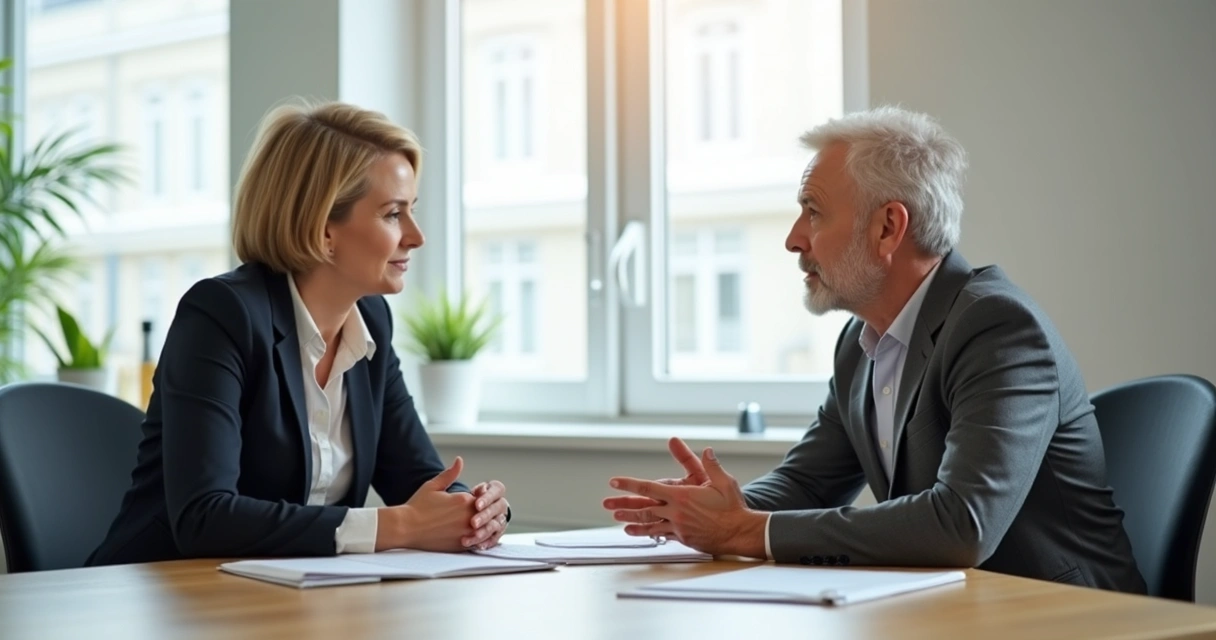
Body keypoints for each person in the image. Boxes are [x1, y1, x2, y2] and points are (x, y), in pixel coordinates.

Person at [603, 106, 1146, 593]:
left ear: (889, 228)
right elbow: (809, 481)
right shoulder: (859, 343)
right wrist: (723, 508)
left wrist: (748, 530)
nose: (794, 238)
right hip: (955, 612)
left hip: (1067, 618)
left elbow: (962, 523)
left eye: (813, 211)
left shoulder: (996, 327)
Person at [88, 101, 509, 565]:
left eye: (411, 211)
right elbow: (204, 517)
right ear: (323, 228)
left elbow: (418, 476)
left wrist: (473, 510)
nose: (415, 235)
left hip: (290, 598)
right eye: (393, 214)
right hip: (156, 596)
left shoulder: (371, 323)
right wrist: (400, 525)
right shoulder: (222, 315)